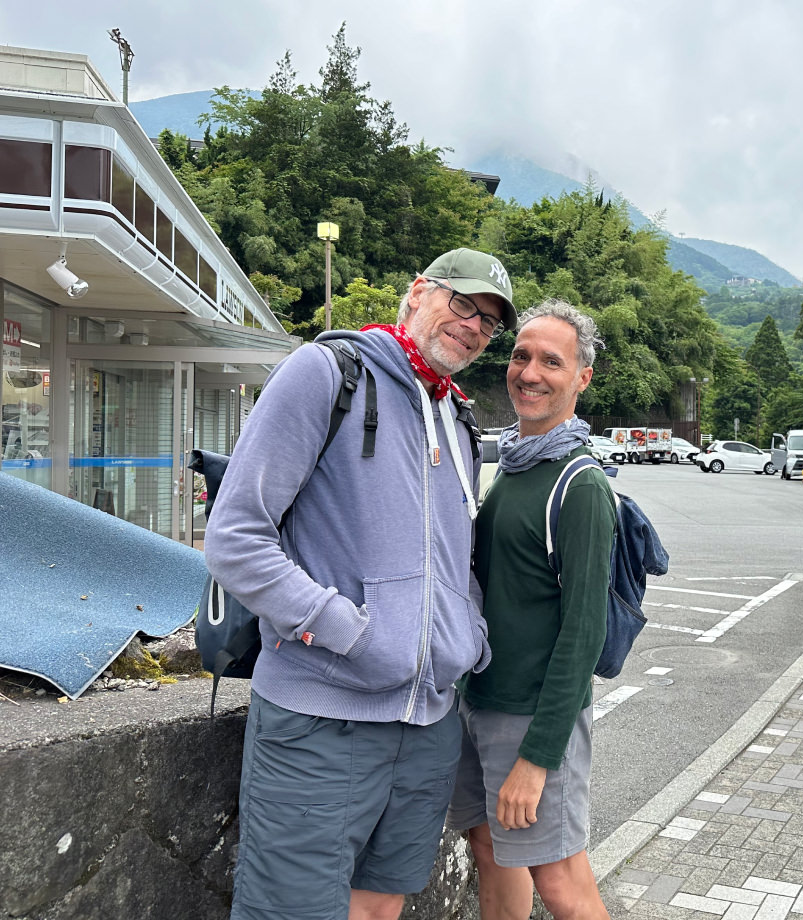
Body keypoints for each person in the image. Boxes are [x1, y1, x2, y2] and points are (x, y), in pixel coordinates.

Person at [204, 248, 517, 920]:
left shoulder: (458, 419)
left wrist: (468, 639)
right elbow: (235, 537)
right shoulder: (327, 374)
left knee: (379, 908)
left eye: (489, 322)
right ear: (417, 292)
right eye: (463, 303)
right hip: (321, 717)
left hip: (427, 724)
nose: (472, 325)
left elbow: (452, 562)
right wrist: (346, 630)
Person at [446, 299, 615, 920]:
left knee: (562, 881)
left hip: (533, 717)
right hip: (478, 699)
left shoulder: (581, 484)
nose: (530, 372)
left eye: (551, 360)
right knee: (491, 848)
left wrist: (539, 757)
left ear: (581, 378)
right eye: (520, 355)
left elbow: (583, 633)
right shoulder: (513, 465)